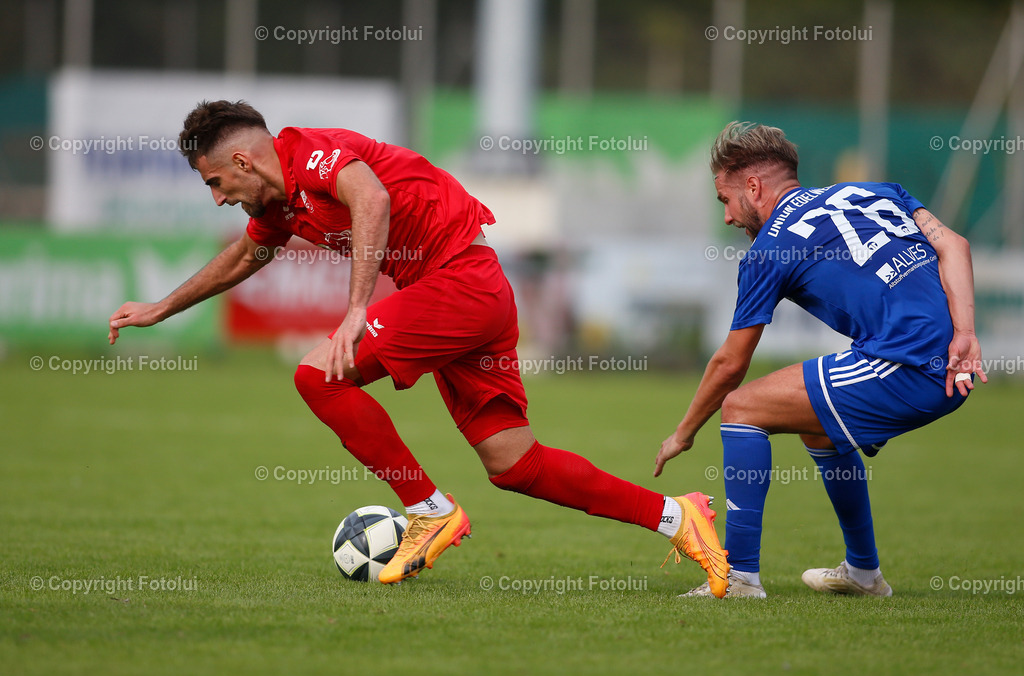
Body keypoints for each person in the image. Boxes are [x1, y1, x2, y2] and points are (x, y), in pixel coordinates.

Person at [107, 100, 731, 596]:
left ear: (243, 160)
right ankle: (678, 517)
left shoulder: (312, 153)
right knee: (515, 465)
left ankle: (428, 510)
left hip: (460, 282)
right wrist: (161, 307)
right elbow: (247, 254)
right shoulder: (280, 203)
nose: (218, 197)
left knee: (318, 376)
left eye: (216, 182)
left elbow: (371, 197)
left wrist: (356, 309)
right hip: (470, 294)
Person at [654, 121, 986, 598]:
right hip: (954, 361)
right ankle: (863, 573)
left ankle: (739, 577)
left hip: (907, 363)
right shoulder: (875, 191)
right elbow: (955, 245)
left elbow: (730, 364)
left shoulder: (769, 249)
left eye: (725, 200)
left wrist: (683, 433)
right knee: (818, 427)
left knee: (741, 408)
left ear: (753, 187)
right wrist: (966, 334)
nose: (727, 217)